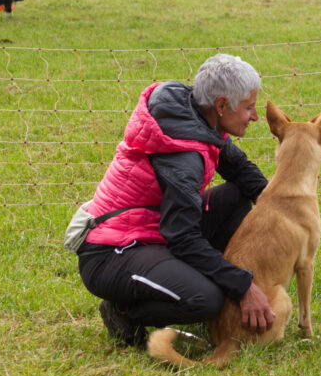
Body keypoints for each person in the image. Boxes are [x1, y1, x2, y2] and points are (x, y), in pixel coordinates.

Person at [76, 53, 275, 348]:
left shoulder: (198, 117)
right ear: (221, 105)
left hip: (156, 230)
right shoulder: (183, 159)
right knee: (206, 298)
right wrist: (243, 285)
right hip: (112, 252)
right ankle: (122, 313)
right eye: (249, 107)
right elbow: (182, 237)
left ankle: (205, 281)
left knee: (235, 198)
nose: (255, 116)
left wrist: (286, 210)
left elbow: (242, 172)